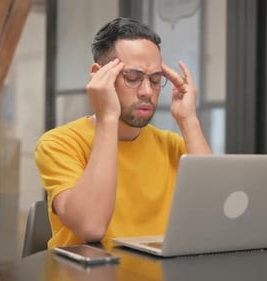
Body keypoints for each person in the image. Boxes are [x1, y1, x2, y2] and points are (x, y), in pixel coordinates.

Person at [34, 17, 212, 249]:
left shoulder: (171, 145)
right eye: (132, 78)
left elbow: (214, 214)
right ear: (99, 76)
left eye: (156, 80)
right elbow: (91, 227)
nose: (147, 91)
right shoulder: (59, 143)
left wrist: (188, 119)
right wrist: (107, 116)